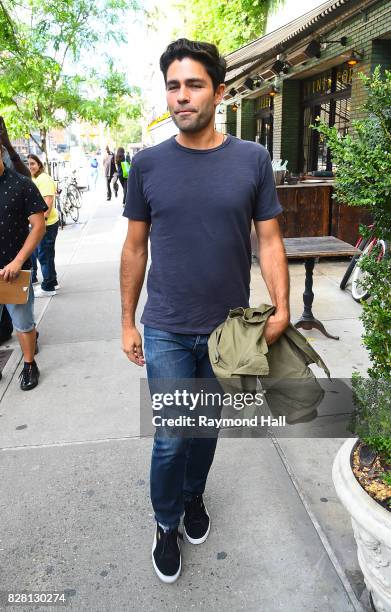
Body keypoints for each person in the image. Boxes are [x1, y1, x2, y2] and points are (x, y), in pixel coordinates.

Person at [120, 38, 289, 583]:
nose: (182, 97)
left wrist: (281, 307)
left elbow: (268, 240)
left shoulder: (251, 160)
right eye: (173, 86)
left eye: (194, 85)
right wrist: (127, 320)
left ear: (219, 92)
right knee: (173, 435)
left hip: (229, 331)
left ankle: (194, 498)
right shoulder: (146, 165)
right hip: (167, 326)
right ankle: (166, 521)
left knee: (206, 431)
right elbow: (135, 248)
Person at [0, 144, 47, 389]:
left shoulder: (22, 185)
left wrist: (18, 261)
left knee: (23, 323)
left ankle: (29, 365)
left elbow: (38, 226)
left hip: (14, 272)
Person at [27, 154, 59, 297]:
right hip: (45, 223)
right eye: (28, 164)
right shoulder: (36, 178)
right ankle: (52, 281)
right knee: (47, 254)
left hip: (47, 224)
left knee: (44, 255)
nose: (30, 166)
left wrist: (42, 221)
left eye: (33, 163)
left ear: (39, 164)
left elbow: (48, 201)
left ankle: (48, 287)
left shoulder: (43, 179)